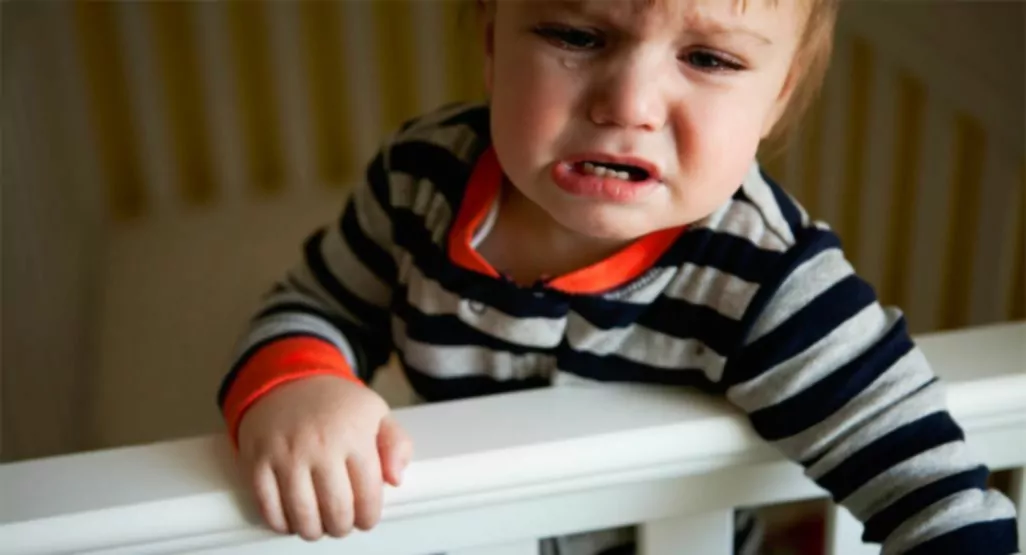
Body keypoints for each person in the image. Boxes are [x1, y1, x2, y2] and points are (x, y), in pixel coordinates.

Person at [216, 0, 1020, 553]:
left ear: (776, 99)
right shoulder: (421, 180)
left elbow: (933, 487)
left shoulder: (769, 276)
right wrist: (299, 383)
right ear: (493, 41)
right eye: (576, 34)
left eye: (707, 57)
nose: (628, 102)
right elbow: (316, 302)